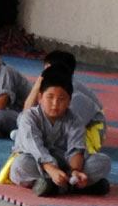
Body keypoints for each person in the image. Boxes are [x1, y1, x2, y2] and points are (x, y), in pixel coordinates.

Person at [9, 66, 111, 196]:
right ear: (40, 97)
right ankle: (74, 186)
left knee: (103, 161)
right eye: (50, 97)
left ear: (69, 101)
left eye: (62, 99)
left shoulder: (74, 119)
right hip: (39, 163)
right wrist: (51, 168)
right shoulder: (29, 117)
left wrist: (76, 171)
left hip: (65, 164)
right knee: (20, 164)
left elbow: (76, 149)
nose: (55, 104)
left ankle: (57, 185)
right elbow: (34, 147)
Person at [22, 50, 106, 149]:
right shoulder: (51, 86)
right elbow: (27, 114)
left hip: (87, 132)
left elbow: (70, 128)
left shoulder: (75, 96)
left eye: (47, 71)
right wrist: (37, 86)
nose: (44, 75)